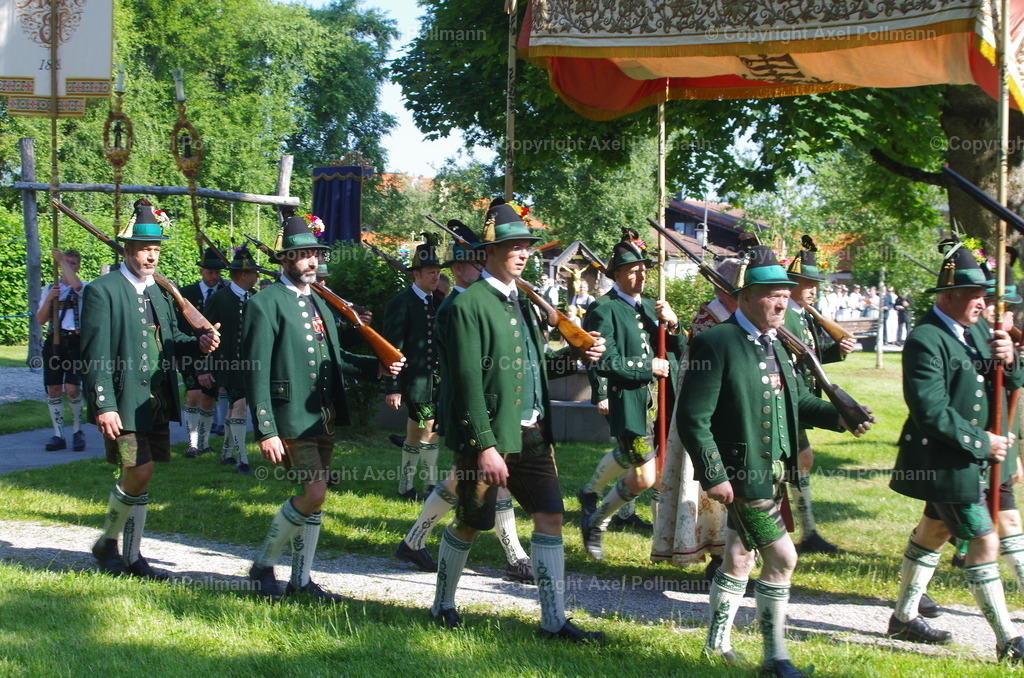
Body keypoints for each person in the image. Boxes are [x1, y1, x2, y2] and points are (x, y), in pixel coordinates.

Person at [677, 245, 872, 676]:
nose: (782, 300)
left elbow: (797, 400)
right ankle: (775, 657)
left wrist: (839, 415)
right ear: (745, 296)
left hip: (774, 472)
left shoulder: (778, 344)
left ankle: (715, 645)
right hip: (744, 478)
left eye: (785, 292)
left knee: (739, 557)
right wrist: (714, 475)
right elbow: (693, 418)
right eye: (771, 293)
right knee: (783, 559)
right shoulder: (716, 341)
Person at [429, 200, 605, 640]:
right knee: (472, 521)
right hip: (485, 437)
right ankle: (443, 604)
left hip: (532, 433)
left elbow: (535, 369)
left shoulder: (526, 304)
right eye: (513, 246)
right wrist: (485, 446)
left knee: (550, 516)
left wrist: (576, 356)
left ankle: (553, 620)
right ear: (487, 253)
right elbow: (466, 383)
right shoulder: (465, 306)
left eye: (526, 245)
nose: (523, 252)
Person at [242, 214, 403, 599]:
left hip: (325, 416)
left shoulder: (319, 301)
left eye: (315, 253)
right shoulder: (265, 304)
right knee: (313, 493)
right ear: (284, 260)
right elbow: (255, 372)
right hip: (292, 419)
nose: (312, 261)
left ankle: (301, 580)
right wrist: (266, 429)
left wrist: (375, 366)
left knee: (316, 499)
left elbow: (338, 357)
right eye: (303, 254)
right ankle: (263, 564)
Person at [887, 239, 1024, 662]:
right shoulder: (925, 339)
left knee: (936, 531)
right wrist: (983, 442)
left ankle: (904, 617)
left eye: (984, 295)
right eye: (972, 296)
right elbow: (930, 410)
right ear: (947, 296)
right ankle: (1008, 642)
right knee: (984, 544)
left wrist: (1010, 359)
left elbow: (1011, 385)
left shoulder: (984, 329)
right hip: (945, 460)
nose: (981, 304)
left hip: (985, 459)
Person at [82, 201, 220, 578]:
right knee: (135, 470)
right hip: (122, 406)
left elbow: (173, 339)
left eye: (156, 250)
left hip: (155, 404)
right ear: (127, 250)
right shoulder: (102, 291)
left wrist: (199, 344)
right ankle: (111, 544)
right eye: (145, 249)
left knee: (143, 475)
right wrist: (103, 405)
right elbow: (95, 355)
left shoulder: (161, 292)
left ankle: (129, 554)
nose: (151, 256)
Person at [394, 223, 534, 583]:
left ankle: (414, 541)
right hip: (467, 412)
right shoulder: (457, 306)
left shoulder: (482, 301)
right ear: (458, 269)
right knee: (484, 481)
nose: (483, 271)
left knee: (465, 480)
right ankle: (514, 556)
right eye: (476, 265)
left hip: (487, 412)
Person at [579, 228, 682, 560]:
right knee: (645, 476)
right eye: (634, 270)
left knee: (642, 469)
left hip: (657, 404)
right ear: (618, 274)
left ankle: (591, 497)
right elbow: (604, 360)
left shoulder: (654, 307)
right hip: (628, 403)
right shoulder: (603, 309)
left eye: (644, 269)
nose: (641, 275)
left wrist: (674, 324)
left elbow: (679, 350)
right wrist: (645, 367)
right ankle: (597, 521)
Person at [651, 258, 738, 575]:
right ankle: (719, 560)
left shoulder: (734, 317)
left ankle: (732, 557)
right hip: (711, 421)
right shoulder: (708, 320)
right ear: (723, 287)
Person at [782, 237, 856, 554]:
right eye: (806, 282)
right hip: (786, 397)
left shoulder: (804, 314)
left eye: (815, 282)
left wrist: (835, 351)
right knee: (792, 462)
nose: (813, 288)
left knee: (800, 461)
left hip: (799, 395)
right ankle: (799, 533)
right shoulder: (785, 314)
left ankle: (807, 531)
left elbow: (809, 357)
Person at [383, 235, 444, 501]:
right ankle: (430, 484)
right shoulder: (401, 303)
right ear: (416, 274)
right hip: (413, 382)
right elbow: (390, 350)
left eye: (438, 272)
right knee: (428, 425)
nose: (436, 277)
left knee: (417, 430)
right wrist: (393, 387)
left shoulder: (437, 302)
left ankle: (405, 485)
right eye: (431, 272)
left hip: (434, 381)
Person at [198, 246, 259, 474]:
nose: (257, 277)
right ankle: (242, 459)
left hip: (250, 366)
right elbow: (204, 335)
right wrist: (204, 368)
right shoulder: (220, 299)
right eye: (254, 272)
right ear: (244, 274)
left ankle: (226, 453)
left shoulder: (254, 298)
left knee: (235, 408)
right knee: (240, 406)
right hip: (227, 365)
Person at [36, 247, 87, 451]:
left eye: (72, 263)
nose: (68, 266)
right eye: (65, 262)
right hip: (54, 343)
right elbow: (40, 320)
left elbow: (75, 284)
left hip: (74, 341)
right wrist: (49, 299)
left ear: (78, 266)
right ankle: (58, 434)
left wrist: (61, 262)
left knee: (72, 388)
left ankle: (77, 430)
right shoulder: (50, 288)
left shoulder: (83, 287)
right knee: (54, 388)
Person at [179, 246, 227, 458]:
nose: (213, 277)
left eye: (216, 273)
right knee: (193, 395)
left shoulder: (225, 292)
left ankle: (205, 442)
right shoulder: (187, 294)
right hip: (191, 353)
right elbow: (180, 327)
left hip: (217, 355)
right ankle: (192, 443)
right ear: (201, 272)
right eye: (209, 272)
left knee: (209, 398)